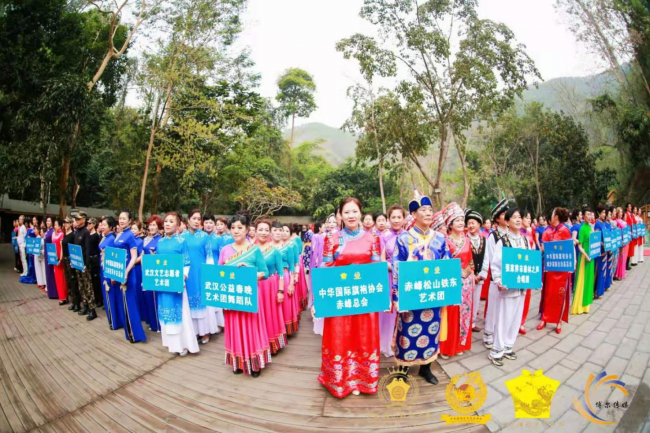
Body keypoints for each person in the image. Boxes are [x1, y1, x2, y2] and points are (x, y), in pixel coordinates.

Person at [318, 197, 381, 397]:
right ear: (340, 215)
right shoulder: (332, 238)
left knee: (363, 337)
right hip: (340, 300)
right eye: (346, 212)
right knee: (340, 337)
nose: (351, 215)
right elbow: (326, 269)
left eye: (354, 211)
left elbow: (376, 269)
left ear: (360, 213)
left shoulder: (373, 238)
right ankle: (339, 380)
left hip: (364, 299)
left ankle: (362, 380)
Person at [392, 193, 450, 384]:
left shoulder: (440, 238)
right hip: (411, 295)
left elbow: (447, 266)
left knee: (432, 331)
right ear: (414, 214)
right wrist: (397, 296)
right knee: (407, 332)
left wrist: (449, 291)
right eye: (423, 210)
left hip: (433, 296)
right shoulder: (403, 239)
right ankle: (403, 370)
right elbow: (396, 267)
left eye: (430, 210)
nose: (428, 213)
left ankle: (426, 368)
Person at [219, 214, 271, 377]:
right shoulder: (225, 250)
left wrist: (252, 273)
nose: (236, 231)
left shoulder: (254, 249)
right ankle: (238, 362)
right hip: (232, 297)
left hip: (250, 296)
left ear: (247, 229)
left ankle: (254, 364)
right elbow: (218, 274)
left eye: (240, 227)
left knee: (251, 327)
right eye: (233, 227)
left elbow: (266, 273)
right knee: (234, 327)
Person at [488, 207, 530, 367]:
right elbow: (496, 264)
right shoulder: (503, 241)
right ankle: (496, 350)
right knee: (504, 318)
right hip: (507, 287)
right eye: (514, 217)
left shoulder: (525, 241)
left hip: (522, 286)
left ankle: (508, 346)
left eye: (520, 217)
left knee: (516, 318)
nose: (518, 220)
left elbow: (530, 261)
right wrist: (498, 280)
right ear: (507, 221)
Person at [156, 212, 200, 356]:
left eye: (171, 221)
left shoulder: (182, 241)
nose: (167, 224)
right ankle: (172, 344)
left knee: (180, 314)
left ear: (178, 225)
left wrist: (184, 275)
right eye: (166, 221)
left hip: (177, 285)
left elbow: (187, 263)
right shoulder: (160, 242)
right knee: (165, 313)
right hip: (163, 284)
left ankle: (184, 344)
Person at [440, 203, 474, 359]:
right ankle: (447, 347)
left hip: (467, 282)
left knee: (465, 314)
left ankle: (460, 344)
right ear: (450, 224)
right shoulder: (445, 241)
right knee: (451, 315)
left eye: (462, 219)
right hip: (452, 282)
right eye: (457, 220)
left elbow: (471, 261)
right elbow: (444, 264)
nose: (461, 222)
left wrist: (471, 275)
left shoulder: (467, 240)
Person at [111, 209, 147, 343]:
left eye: (124, 219)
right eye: (120, 218)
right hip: (118, 273)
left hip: (128, 274)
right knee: (122, 303)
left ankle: (135, 334)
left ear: (129, 221)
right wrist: (113, 274)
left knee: (129, 303)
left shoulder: (130, 236)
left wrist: (126, 272)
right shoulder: (119, 234)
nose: (121, 221)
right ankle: (128, 332)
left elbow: (133, 258)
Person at [479, 198, 509, 350]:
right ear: (497, 219)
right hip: (496, 278)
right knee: (493, 306)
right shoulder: (493, 236)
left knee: (505, 308)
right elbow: (490, 258)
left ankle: (501, 334)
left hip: (510, 277)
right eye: (503, 214)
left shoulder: (512, 234)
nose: (507, 216)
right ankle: (488, 334)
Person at [182, 209, 216, 344]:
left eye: (198, 219)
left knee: (203, 302)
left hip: (201, 272)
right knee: (190, 302)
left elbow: (209, 256)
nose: (196, 221)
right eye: (194, 218)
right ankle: (195, 332)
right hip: (187, 274)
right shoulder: (182, 237)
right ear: (188, 220)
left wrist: (210, 273)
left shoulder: (204, 236)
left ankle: (205, 331)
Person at [537, 207, 572, 334]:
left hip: (562, 269)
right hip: (550, 267)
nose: (550, 216)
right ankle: (545, 319)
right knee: (548, 293)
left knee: (560, 295)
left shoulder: (565, 231)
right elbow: (543, 248)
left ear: (556, 217)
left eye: (552, 214)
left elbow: (568, 249)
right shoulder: (547, 231)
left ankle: (559, 321)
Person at [256, 219, 287, 354]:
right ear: (255, 231)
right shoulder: (249, 250)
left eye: (266, 230)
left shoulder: (275, 251)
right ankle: (258, 344)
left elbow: (281, 273)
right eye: (260, 230)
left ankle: (271, 344)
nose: (263, 233)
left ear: (270, 233)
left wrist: (280, 291)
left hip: (270, 287)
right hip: (255, 286)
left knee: (270, 315)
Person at [378, 205, 405, 357]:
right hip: (388, 277)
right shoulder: (384, 236)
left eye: (399, 217)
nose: (396, 220)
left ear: (404, 219)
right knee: (388, 313)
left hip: (404, 279)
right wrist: (394, 268)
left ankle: (402, 343)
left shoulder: (409, 237)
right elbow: (381, 260)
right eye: (393, 217)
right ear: (389, 219)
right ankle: (387, 343)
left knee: (403, 311)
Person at [73, 211, 97, 321]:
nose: (77, 221)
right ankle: (85, 305)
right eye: (76, 219)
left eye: (78, 219)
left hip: (84, 264)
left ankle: (92, 309)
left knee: (88, 286)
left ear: (83, 220)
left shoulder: (86, 232)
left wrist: (86, 264)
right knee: (81, 286)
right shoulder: (77, 231)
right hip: (77, 262)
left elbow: (87, 249)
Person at [203, 214, 225, 335]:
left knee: (216, 297)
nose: (208, 225)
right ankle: (208, 326)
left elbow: (222, 255)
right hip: (203, 270)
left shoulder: (218, 239)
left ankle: (219, 323)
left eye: (211, 222)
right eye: (206, 222)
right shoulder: (200, 238)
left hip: (216, 269)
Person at [99, 216, 122, 330]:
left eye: (105, 225)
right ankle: (112, 320)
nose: (102, 227)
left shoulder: (112, 239)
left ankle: (115, 322)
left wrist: (113, 275)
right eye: (102, 225)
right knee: (107, 295)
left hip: (109, 271)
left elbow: (114, 257)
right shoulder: (104, 237)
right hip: (102, 268)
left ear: (111, 227)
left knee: (111, 295)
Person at [571, 209, 595, 315]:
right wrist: (586, 256)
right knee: (582, 280)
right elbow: (580, 246)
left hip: (591, 257)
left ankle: (586, 306)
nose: (589, 216)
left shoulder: (590, 227)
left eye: (590, 214)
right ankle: (579, 306)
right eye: (587, 215)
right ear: (583, 217)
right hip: (585, 258)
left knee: (589, 281)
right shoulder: (582, 229)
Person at [465, 209, 485, 332]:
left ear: (479, 224)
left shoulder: (483, 240)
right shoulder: (464, 239)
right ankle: (465, 323)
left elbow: (486, 258)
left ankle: (472, 323)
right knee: (467, 301)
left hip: (479, 276)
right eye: (469, 223)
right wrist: (471, 275)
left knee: (476, 300)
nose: (471, 225)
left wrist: (481, 274)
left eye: (473, 223)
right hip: (467, 276)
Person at [142, 215, 163, 332]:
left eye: (154, 225)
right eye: (150, 225)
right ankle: (152, 323)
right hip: (146, 271)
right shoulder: (148, 239)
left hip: (156, 273)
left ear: (159, 227)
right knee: (149, 298)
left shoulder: (160, 240)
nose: (152, 227)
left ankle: (159, 325)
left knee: (156, 298)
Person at [278, 223, 300, 333]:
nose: (284, 233)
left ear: (290, 233)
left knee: (286, 301)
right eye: (282, 230)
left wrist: (296, 275)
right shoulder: (272, 245)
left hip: (286, 274)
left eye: (287, 231)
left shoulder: (292, 245)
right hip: (275, 276)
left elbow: (295, 262)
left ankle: (287, 326)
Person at [87, 218, 103, 308]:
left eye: (90, 223)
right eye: (88, 223)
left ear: (94, 224)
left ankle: (99, 299)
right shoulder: (88, 235)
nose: (88, 225)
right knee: (91, 280)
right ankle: (95, 298)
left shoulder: (96, 236)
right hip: (89, 259)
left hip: (95, 259)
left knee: (96, 280)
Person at [52, 219, 68, 305]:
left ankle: (63, 297)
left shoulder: (61, 234)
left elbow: (62, 248)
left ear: (60, 226)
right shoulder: (56, 234)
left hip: (59, 259)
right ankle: (61, 296)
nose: (55, 226)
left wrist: (60, 259)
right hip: (55, 258)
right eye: (54, 225)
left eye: (56, 225)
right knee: (57, 278)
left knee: (61, 278)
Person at [43, 217, 59, 299]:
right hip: (46, 253)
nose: (47, 222)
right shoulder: (47, 231)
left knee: (51, 273)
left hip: (51, 254)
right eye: (47, 221)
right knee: (48, 273)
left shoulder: (53, 231)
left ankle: (54, 292)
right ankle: (50, 291)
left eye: (49, 221)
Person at [20, 220, 37, 284]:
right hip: (30, 248)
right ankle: (30, 273)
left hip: (34, 247)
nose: (34, 221)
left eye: (35, 220)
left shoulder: (34, 229)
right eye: (33, 220)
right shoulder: (30, 229)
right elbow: (26, 237)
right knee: (30, 262)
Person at [614, 207, 628, 281]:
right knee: (620, 257)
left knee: (623, 257)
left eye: (622, 212)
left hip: (624, 241)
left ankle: (622, 272)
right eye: (620, 212)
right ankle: (618, 273)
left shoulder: (622, 221)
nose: (621, 213)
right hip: (620, 242)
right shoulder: (616, 222)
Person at [32, 224, 47, 291]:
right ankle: (40, 282)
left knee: (42, 269)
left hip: (42, 256)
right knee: (38, 268)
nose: (40, 233)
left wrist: (41, 251)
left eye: (41, 232)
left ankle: (43, 283)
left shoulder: (42, 240)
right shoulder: (38, 239)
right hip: (37, 255)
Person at [625, 204, 636, 270]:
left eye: (631, 207)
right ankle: (626, 264)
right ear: (627, 208)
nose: (630, 208)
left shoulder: (631, 215)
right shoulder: (626, 214)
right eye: (629, 207)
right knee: (627, 249)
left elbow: (634, 222)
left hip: (631, 233)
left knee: (630, 249)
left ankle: (628, 263)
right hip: (628, 233)